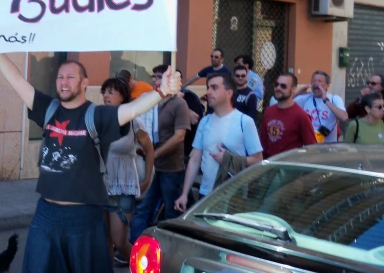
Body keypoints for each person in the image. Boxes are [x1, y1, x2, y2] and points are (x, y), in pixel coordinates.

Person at [0, 53, 180, 273]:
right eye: (60, 77)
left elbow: (132, 110)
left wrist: (161, 91)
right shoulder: (48, 109)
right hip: (46, 215)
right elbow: (16, 80)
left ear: (84, 83)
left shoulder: (97, 115)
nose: (63, 82)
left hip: (84, 219)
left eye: (70, 77)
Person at [175, 73, 263, 212]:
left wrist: (229, 159)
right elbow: (195, 160)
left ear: (229, 93)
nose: (208, 92)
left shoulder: (244, 122)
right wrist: (184, 195)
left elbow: (258, 159)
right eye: (208, 87)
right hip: (206, 194)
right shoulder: (205, 121)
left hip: (234, 195)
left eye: (214, 88)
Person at [129, 64, 190, 244]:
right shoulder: (152, 101)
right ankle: (134, 247)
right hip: (152, 167)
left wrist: (154, 154)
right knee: (143, 208)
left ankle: (170, 250)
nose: (154, 81)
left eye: (158, 77)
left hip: (171, 168)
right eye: (153, 77)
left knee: (171, 212)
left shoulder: (180, 104)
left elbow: (179, 137)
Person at [100, 77, 154, 265]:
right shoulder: (100, 119)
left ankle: (147, 266)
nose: (105, 96)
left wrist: (147, 179)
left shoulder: (134, 122)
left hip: (124, 185)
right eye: (104, 92)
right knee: (103, 241)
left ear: (122, 96)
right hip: (101, 187)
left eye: (111, 92)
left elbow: (149, 149)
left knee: (119, 242)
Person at [260, 73, 317, 157]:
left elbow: (311, 147)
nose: (278, 88)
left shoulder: (301, 115)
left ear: (293, 89)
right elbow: (263, 142)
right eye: (276, 85)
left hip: (289, 166)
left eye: (283, 86)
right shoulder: (268, 111)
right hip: (270, 164)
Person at [291, 71, 348, 143]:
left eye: (319, 81)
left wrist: (326, 100)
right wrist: (297, 94)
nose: (316, 83)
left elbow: (344, 117)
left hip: (328, 146)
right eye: (314, 81)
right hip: (308, 145)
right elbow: (282, 105)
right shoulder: (304, 98)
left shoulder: (334, 99)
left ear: (327, 85)